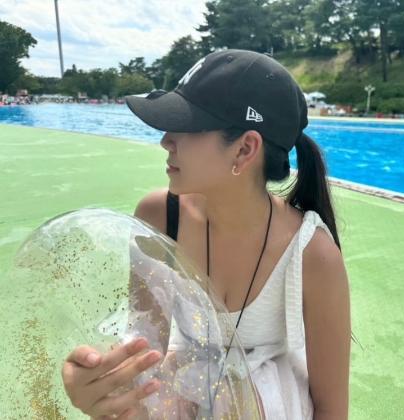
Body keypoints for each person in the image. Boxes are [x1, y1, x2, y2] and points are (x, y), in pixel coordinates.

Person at [60, 49, 351, 420]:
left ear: (244, 149)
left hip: (269, 405)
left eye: (186, 126)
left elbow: (331, 409)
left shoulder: (311, 253)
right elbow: (144, 349)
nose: (166, 140)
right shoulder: (159, 216)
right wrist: (103, 386)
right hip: (185, 386)